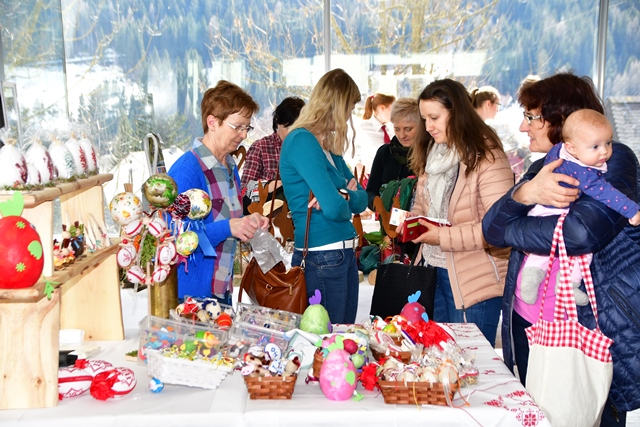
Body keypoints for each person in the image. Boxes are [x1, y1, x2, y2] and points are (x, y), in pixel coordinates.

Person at [482, 72, 640, 427]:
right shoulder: (542, 167)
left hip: (585, 330)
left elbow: (581, 233)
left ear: (561, 119)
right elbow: (491, 230)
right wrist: (525, 195)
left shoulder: (615, 161)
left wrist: (515, 228)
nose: (524, 127)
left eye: (532, 116)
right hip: (528, 322)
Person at [400, 78, 514, 346]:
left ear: (458, 113)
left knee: (469, 365)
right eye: (425, 118)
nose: (428, 127)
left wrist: (440, 236)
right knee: (438, 363)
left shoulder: (487, 157)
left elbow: (498, 230)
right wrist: (412, 222)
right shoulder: (434, 152)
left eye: (435, 118)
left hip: (473, 283)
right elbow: (422, 203)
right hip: (432, 274)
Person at [519, 109, 640, 306]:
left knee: (540, 251)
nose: (605, 151)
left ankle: (530, 280)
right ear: (572, 148)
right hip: (556, 212)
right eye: (595, 146)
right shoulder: (582, 170)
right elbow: (606, 192)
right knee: (583, 252)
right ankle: (569, 285)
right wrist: (631, 210)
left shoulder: (558, 151)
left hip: (539, 210)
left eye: (608, 143)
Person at [168, 80, 269, 304]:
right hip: (192, 297)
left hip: (222, 290)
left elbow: (225, 221)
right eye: (238, 127)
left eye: (247, 127)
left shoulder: (230, 166)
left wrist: (247, 222)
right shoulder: (186, 171)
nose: (244, 135)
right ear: (212, 122)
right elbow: (178, 238)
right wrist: (229, 227)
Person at [280, 69, 368, 324]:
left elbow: (362, 199)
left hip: (340, 255)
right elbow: (333, 208)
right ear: (337, 105)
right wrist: (344, 194)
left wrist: (344, 195)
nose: (350, 117)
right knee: (329, 344)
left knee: (341, 337)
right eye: (349, 109)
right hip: (323, 256)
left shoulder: (327, 146)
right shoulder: (302, 141)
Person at [240, 96, 305, 206]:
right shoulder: (261, 147)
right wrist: (268, 186)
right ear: (277, 122)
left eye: (298, 128)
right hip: (268, 216)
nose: (293, 133)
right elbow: (244, 189)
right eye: (288, 128)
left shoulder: (307, 149)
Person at [365, 98, 423, 209]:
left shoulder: (429, 154)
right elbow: (371, 191)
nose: (402, 135)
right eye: (397, 129)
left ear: (421, 126)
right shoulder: (384, 153)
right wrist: (377, 203)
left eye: (408, 129)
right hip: (387, 222)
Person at [349, 93, 396, 178]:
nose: (395, 112)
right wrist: (357, 164)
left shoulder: (394, 127)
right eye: (393, 109)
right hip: (371, 178)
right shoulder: (363, 128)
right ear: (382, 108)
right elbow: (351, 149)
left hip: (391, 177)